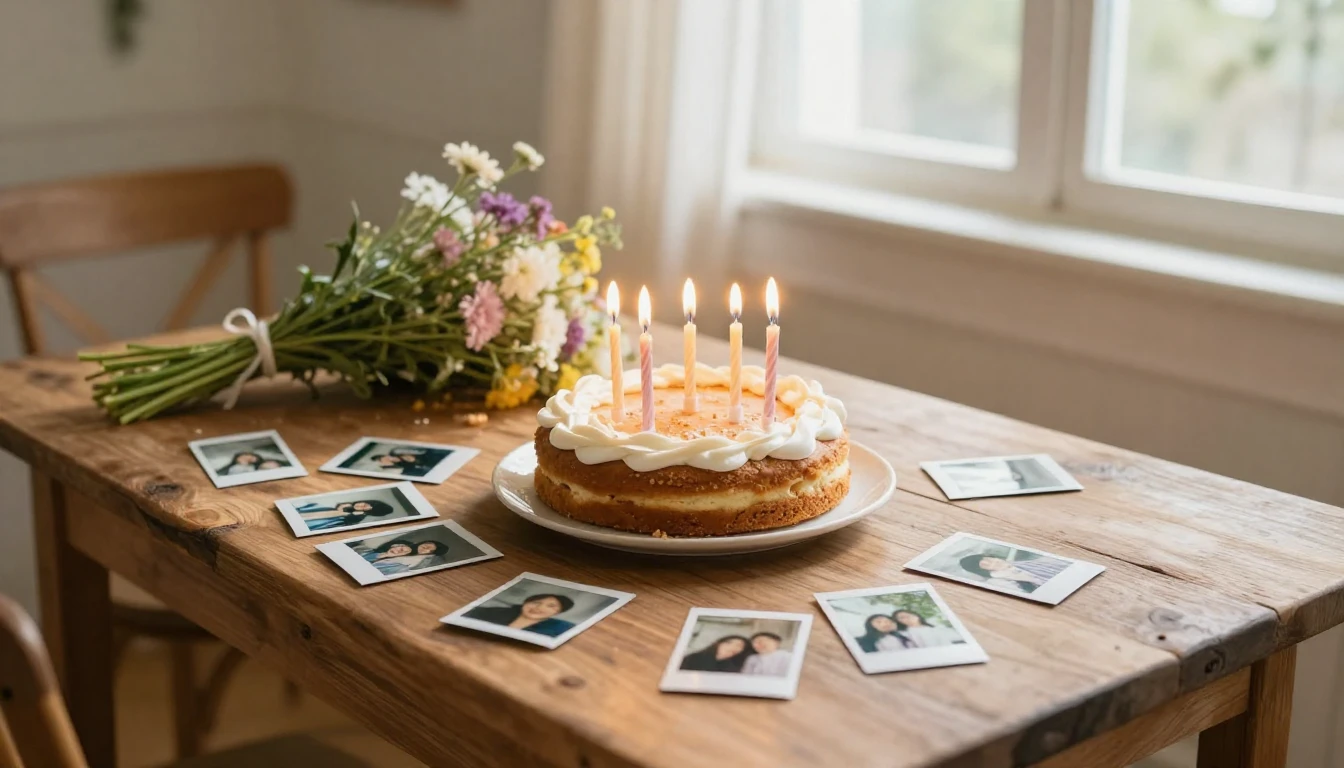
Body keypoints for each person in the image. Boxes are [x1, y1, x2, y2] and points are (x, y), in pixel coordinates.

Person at [463, 593, 576, 637]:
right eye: (536, 602)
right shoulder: (490, 612)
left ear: (557, 612)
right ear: (525, 603)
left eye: (551, 606)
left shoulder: (559, 629)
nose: (539, 608)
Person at [959, 552, 1069, 594]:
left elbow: (1048, 563)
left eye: (990, 559)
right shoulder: (998, 581)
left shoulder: (1015, 563)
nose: (994, 562)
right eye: (986, 565)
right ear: (983, 571)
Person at [297, 499, 396, 531]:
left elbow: (331, 516)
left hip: (323, 522)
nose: (361, 505)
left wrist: (343, 510)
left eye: (365, 507)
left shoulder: (358, 516)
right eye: (365, 503)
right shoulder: (349, 506)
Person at [679, 635, 754, 673]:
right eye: (729, 643)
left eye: (740, 646)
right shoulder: (692, 658)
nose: (733, 647)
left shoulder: (735, 667)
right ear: (718, 644)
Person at [892, 609, 963, 648]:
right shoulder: (907, 634)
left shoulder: (934, 626)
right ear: (899, 622)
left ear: (916, 615)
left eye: (908, 615)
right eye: (902, 617)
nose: (907, 618)